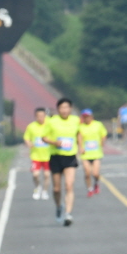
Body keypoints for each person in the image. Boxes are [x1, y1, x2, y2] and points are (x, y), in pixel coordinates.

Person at [45, 97, 81, 226]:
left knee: (69, 185)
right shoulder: (51, 121)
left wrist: (81, 147)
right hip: (56, 156)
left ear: (70, 109)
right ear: (58, 109)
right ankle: (59, 206)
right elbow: (44, 137)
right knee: (56, 189)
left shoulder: (76, 120)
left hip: (70, 156)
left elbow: (78, 133)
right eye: (61, 108)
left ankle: (68, 213)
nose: (64, 110)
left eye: (67, 107)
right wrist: (55, 142)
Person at [24, 107, 52, 201]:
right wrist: (29, 143)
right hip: (36, 155)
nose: (40, 118)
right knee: (35, 175)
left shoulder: (49, 125)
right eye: (38, 116)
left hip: (48, 155)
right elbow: (27, 137)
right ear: (35, 116)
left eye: (42, 116)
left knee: (47, 175)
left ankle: (44, 191)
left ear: (45, 116)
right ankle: (38, 188)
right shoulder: (31, 126)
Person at [79, 109, 107, 196]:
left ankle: (96, 183)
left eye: (88, 116)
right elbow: (79, 137)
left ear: (92, 117)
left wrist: (102, 142)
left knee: (95, 173)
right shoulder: (81, 127)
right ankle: (90, 189)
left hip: (96, 153)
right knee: (87, 173)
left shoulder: (98, 125)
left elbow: (103, 134)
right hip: (86, 154)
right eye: (84, 117)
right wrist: (81, 147)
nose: (86, 118)